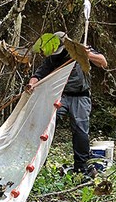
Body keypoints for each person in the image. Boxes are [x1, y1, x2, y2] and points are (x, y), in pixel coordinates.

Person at [27, 31, 108, 176]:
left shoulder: (81, 49)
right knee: (48, 124)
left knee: (80, 130)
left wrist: (84, 55)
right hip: (61, 96)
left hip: (81, 96)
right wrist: (31, 84)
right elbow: (39, 74)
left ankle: (82, 167)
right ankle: (37, 163)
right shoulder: (53, 58)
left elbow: (103, 62)